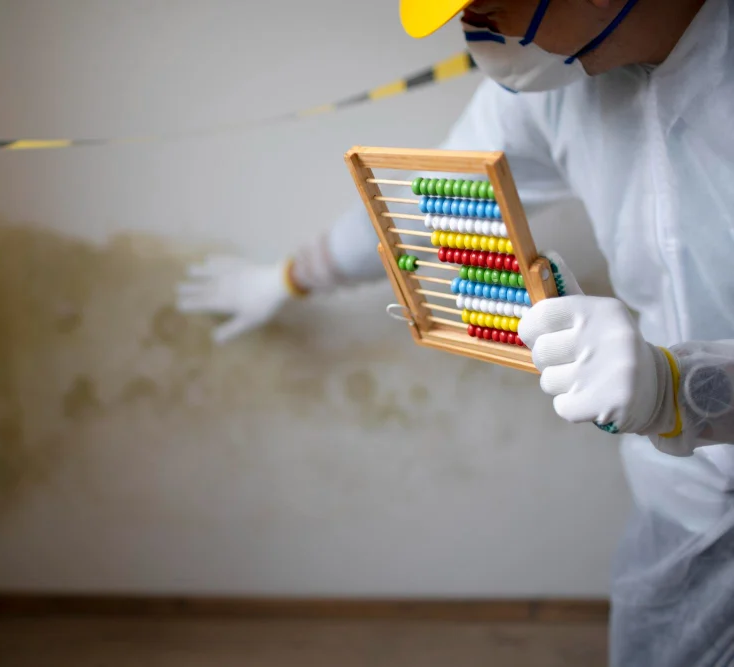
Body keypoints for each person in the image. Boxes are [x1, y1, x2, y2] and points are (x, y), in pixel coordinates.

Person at [176, 0, 734, 664]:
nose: (477, 37)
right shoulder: (559, 92)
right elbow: (418, 206)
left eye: (491, 7)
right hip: (679, 504)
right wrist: (289, 276)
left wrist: (687, 388)